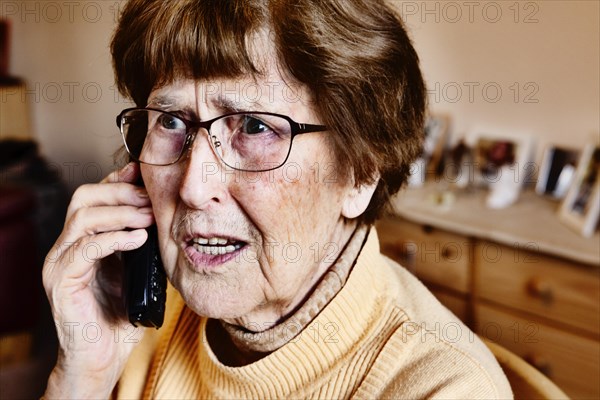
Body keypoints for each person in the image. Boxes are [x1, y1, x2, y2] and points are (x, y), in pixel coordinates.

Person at [42, 0, 513, 398]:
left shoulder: (443, 387)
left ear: (361, 172)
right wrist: (81, 378)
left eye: (254, 126)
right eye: (170, 121)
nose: (192, 186)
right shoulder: (137, 316)